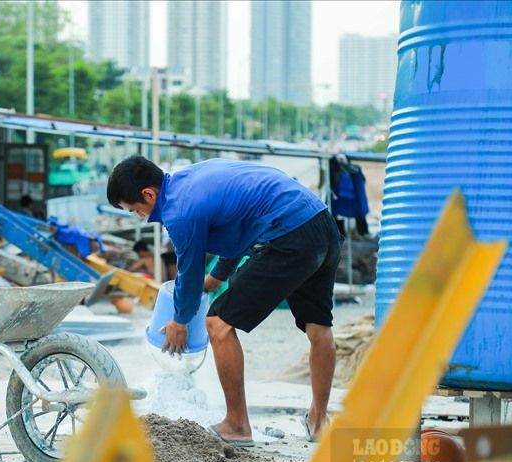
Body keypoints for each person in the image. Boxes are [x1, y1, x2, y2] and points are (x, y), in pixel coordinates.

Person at [107, 156, 341, 445]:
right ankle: (318, 422)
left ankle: (236, 425)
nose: (140, 216)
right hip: (322, 225)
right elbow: (240, 228)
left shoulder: (179, 213)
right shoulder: (192, 180)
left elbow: (189, 275)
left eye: (136, 210)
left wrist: (180, 321)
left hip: (288, 234)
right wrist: (217, 278)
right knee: (319, 328)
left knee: (217, 324)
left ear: (149, 194)